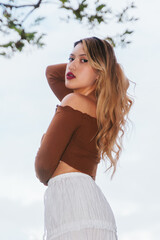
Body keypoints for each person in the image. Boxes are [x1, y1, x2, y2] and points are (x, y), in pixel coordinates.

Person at [35, 36, 133, 240]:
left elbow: (43, 168)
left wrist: (45, 142)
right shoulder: (100, 110)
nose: (72, 65)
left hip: (72, 208)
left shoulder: (74, 101)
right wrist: (95, 67)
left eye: (84, 60)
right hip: (88, 208)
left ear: (99, 71)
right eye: (70, 58)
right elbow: (52, 73)